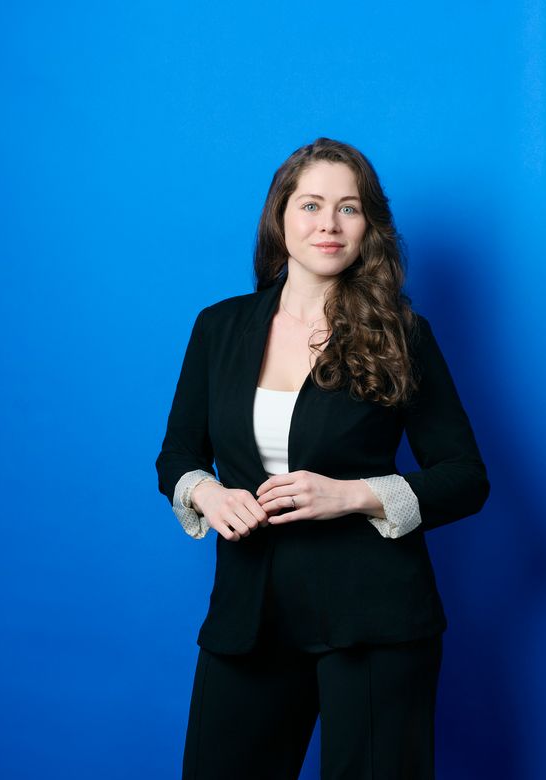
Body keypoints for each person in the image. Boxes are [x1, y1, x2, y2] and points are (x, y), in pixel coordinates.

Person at [155, 137, 490, 780]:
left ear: (369, 226)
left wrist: (353, 495)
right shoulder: (218, 328)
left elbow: (466, 478)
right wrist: (207, 493)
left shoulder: (403, 334)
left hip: (375, 618)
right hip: (250, 615)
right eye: (310, 205)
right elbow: (178, 455)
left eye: (349, 208)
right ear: (280, 217)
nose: (328, 224)